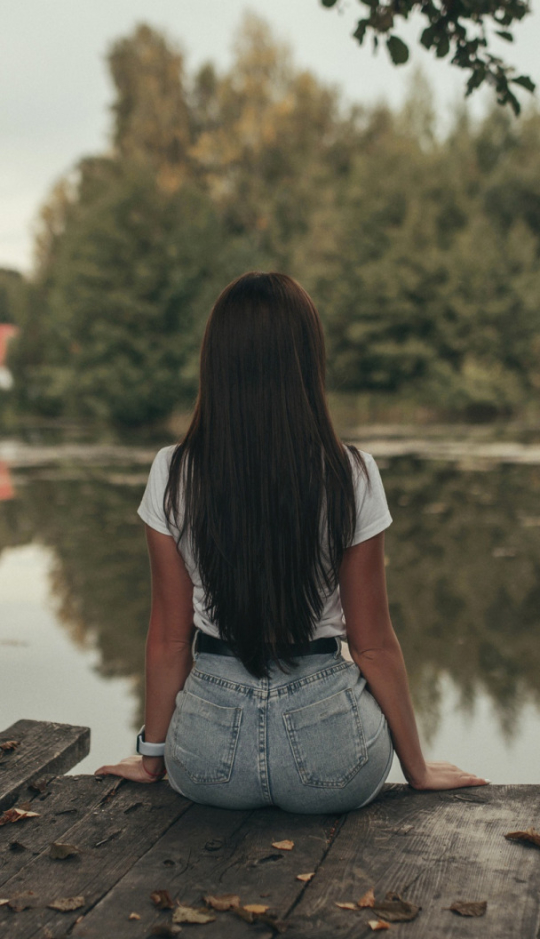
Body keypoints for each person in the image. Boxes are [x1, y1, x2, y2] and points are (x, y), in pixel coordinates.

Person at [95, 271, 488, 810]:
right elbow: (372, 643)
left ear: (217, 362)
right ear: (307, 361)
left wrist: (152, 756)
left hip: (210, 761)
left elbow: (168, 638)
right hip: (331, 757)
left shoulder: (174, 470)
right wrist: (416, 769)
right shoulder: (351, 473)